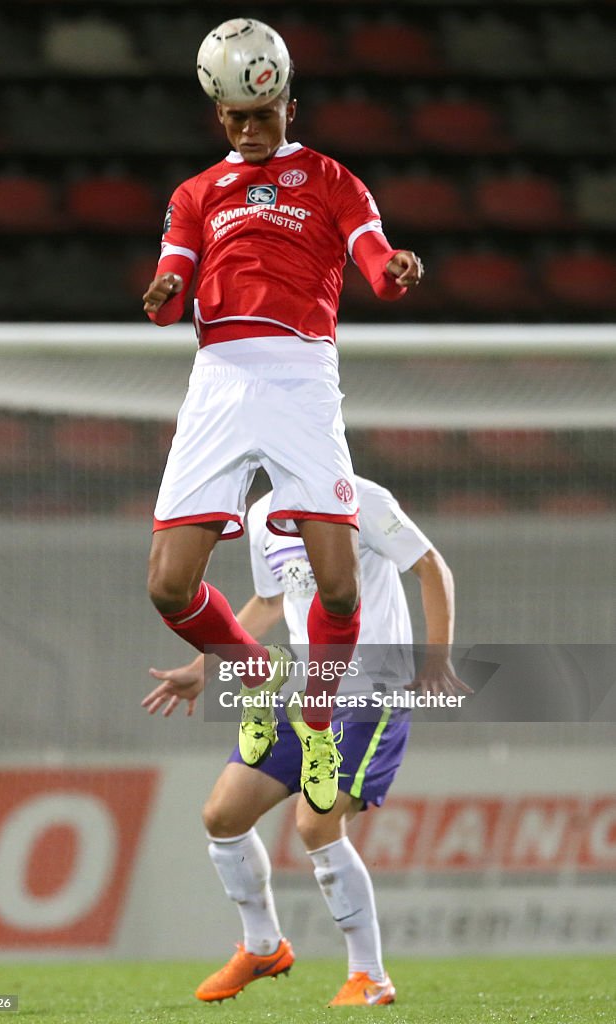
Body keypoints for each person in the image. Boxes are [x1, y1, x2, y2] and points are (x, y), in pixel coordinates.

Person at [142, 24, 424, 815]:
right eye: (234, 116)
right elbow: (172, 277)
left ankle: (320, 722)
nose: (248, 127)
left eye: (261, 112)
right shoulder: (196, 194)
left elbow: (375, 263)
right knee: (168, 588)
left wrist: (395, 272)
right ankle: (255, 673)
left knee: (337, 590)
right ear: (220, 117)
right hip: (221, 377)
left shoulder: (334, 182)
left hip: (302, 377)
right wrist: (164, 297)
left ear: (287, 106)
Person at [143, 476, 470, 1007]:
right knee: (222, 816)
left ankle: (369, 976)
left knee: (315, 821)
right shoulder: (261, 515)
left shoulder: (364, 499)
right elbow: (269, 602)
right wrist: (203, 667)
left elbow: (432, 567)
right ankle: (263, 946)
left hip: (372, 689)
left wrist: (437, 655)